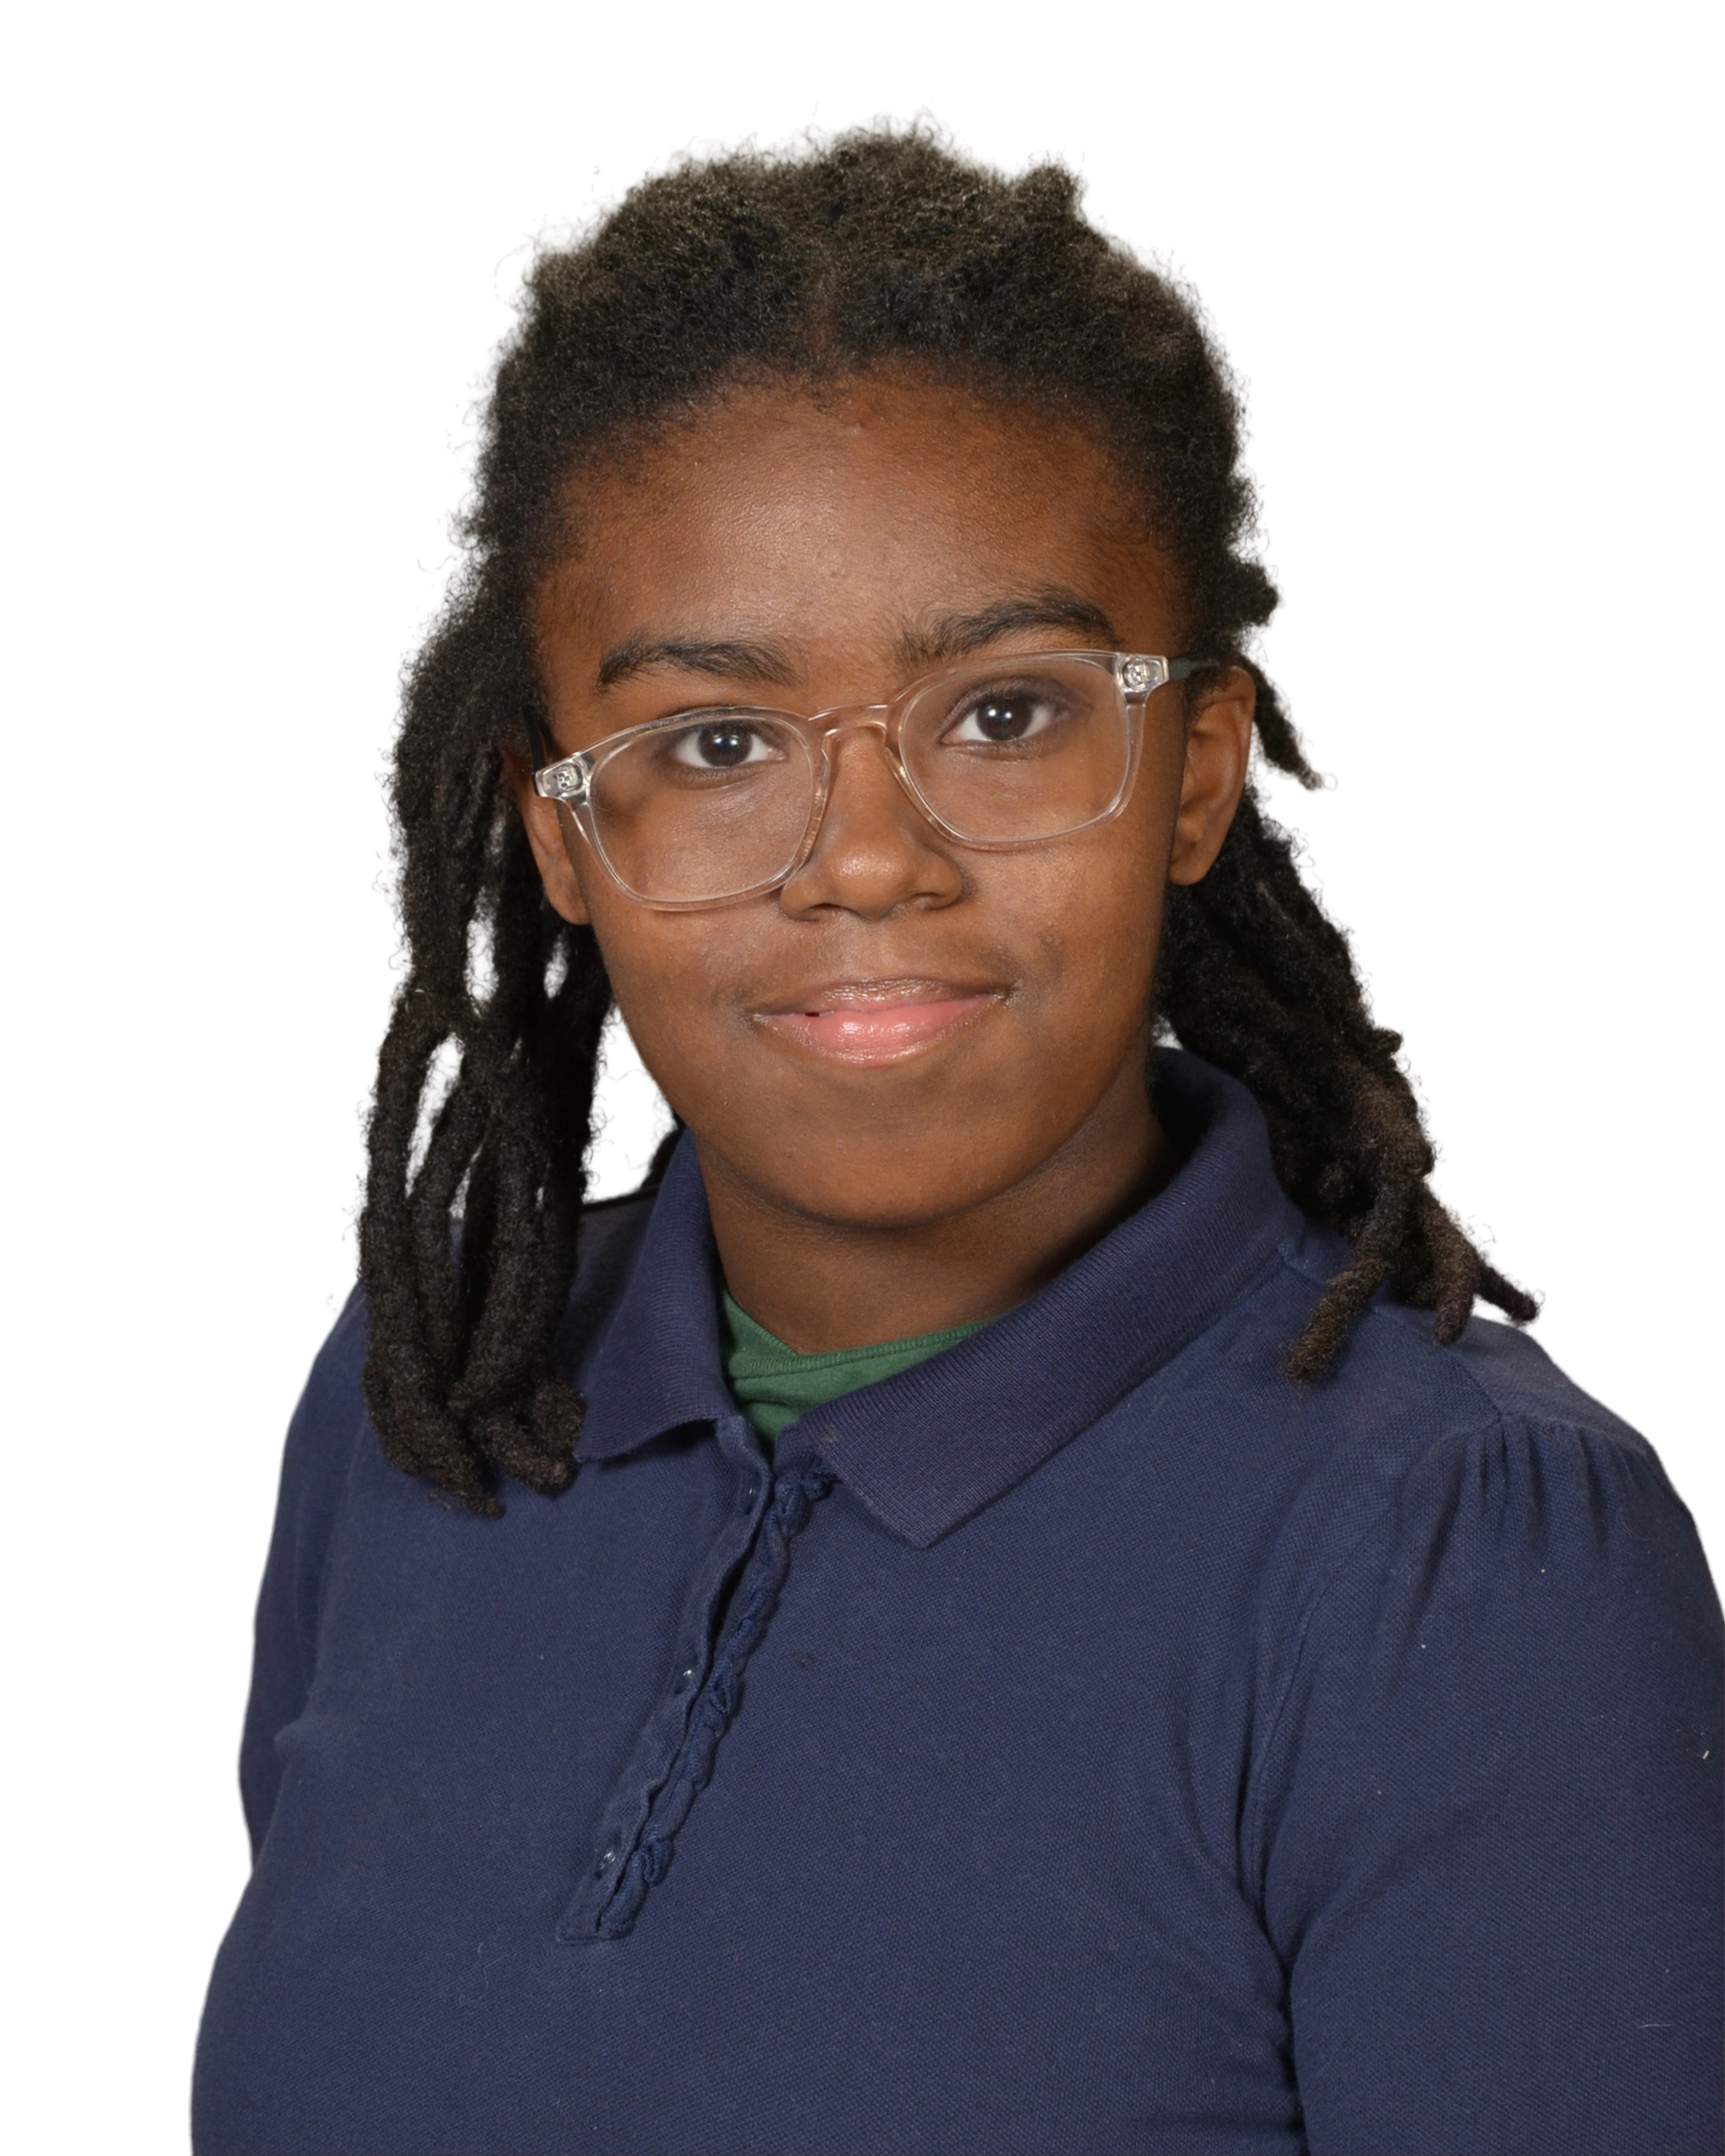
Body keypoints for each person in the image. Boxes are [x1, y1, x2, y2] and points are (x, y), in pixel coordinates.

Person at [186, 103, 1723, 2156]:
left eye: (1004, 712)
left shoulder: (1457, 1555)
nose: (866, 859)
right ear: (558, 831)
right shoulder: (431, 1405)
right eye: (713, 741)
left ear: (1195, 770)